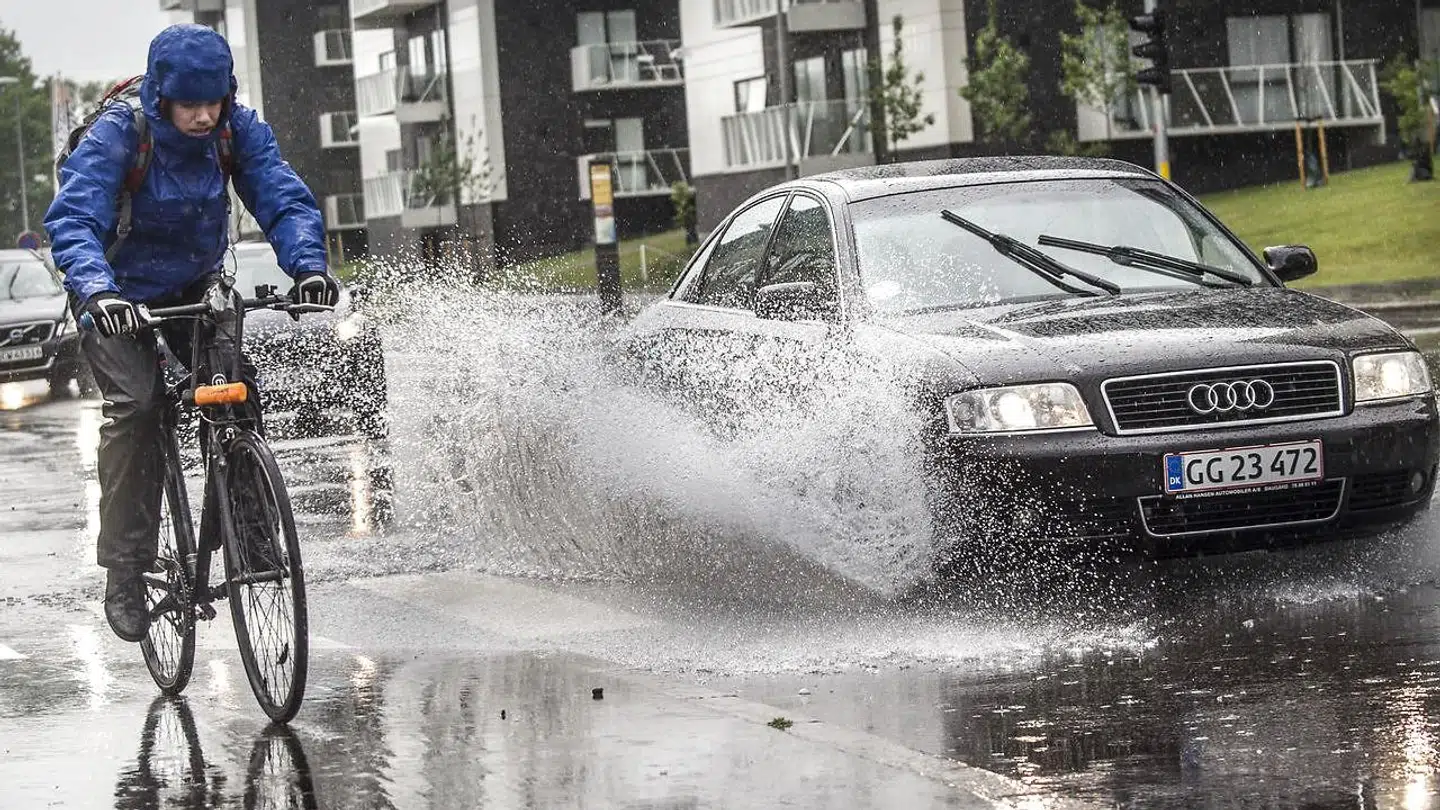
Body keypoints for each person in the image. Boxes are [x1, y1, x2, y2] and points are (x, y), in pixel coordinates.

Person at [44, 24, 340, 643]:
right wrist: (98, 292)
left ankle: (255, 539)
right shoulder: (119, 135)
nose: (204, 117)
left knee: (234, 390)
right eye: (190, 105)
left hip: (192, 282)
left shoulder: (237, 130)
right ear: (161, 96)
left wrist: (308, 266)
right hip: (113, 292)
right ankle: (125, 571)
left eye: (214, 102)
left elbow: (281, 196)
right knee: (139, 409)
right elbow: (73, 220)